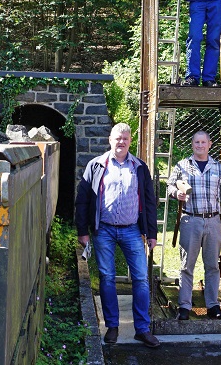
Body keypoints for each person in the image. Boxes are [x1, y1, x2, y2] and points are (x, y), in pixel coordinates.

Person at [75, 123, 160, 348]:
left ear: (130, 140)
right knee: (107, 277)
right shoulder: (96, 166)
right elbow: (82, 201)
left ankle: (142, 329)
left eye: (125, 138)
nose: (121, 142)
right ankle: (112, 326)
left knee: (141, 278)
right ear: (109, 140)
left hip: (132, 230)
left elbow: (150, 202)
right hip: (103, 230)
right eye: (117, 138)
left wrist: (151, 233)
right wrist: (82, 231)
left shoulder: (140, 167)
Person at [167, 130, 221, 320]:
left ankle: (213, 306)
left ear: (210, 144)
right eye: (196, 142)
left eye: (203, 142)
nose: (200, 145)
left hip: (213, 221)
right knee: (186, 266)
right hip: (190, 220)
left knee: (212, 266)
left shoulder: (218, 168)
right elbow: (170, 186)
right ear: (192, 144)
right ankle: (184, 306)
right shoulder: (182, 165)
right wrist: (176, 194)